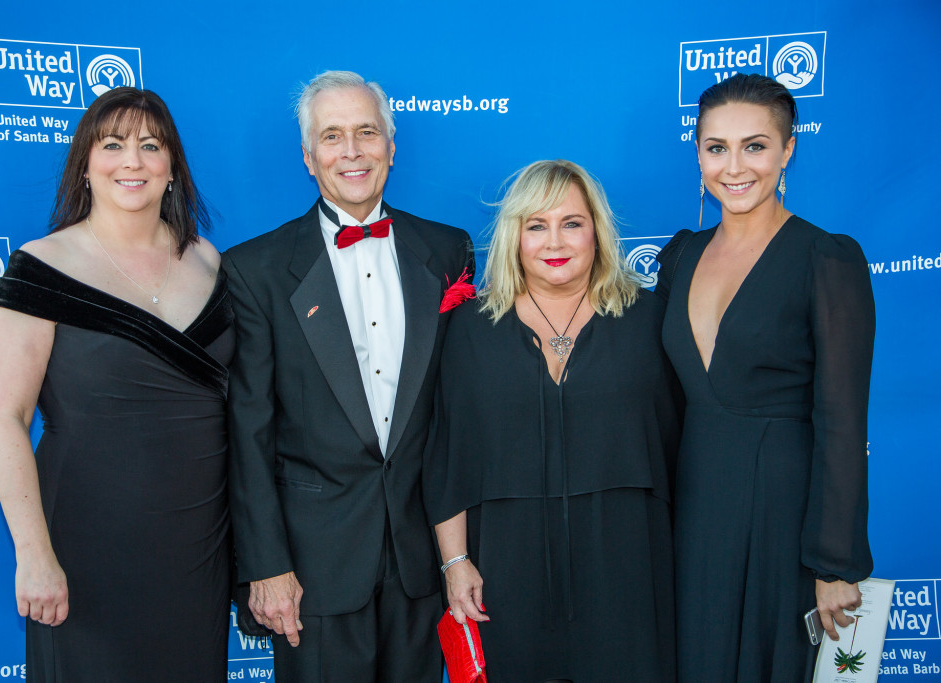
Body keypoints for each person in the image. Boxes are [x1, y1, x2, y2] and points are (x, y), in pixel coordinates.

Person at [222, 70, 474, 681]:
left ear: (392, 145)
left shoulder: (447, 250)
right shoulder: (255, 268)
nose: (352, 151)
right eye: (333, 137)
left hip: (423, 558)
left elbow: (461, 411)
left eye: (367, 132)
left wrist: (460, 555)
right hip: (312, 568)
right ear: (309, 158)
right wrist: (266, 564)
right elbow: (248, 429)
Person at [0, 87, 231, 682]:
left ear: (172, 167)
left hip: (197, 545)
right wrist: (33, 554)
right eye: (113, 145)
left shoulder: (208, 260)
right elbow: (4, 418)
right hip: (85, 542)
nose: (133, 161)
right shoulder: (40, 267)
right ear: (86, 165)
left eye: (151, 146)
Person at [426, 159, 681, 682]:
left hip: (628, 565)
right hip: (506, 574)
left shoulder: (650, 321)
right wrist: (455, 564)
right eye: (536, 225)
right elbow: (448, 454)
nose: (554, 241)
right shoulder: (468, 330)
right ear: (514, 237)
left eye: (572, 223)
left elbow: (684, 448)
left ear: (596, 231)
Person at [656, 73, 874, 682]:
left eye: (755, 146)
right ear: (697, 151)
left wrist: (834, 564)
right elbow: (663, 397)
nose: (734, 167)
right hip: (693, 506)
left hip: (784, 512)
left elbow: (842, 419)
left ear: (787, 150)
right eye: (715, 147)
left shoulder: (826, 258)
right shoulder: (680, 255)